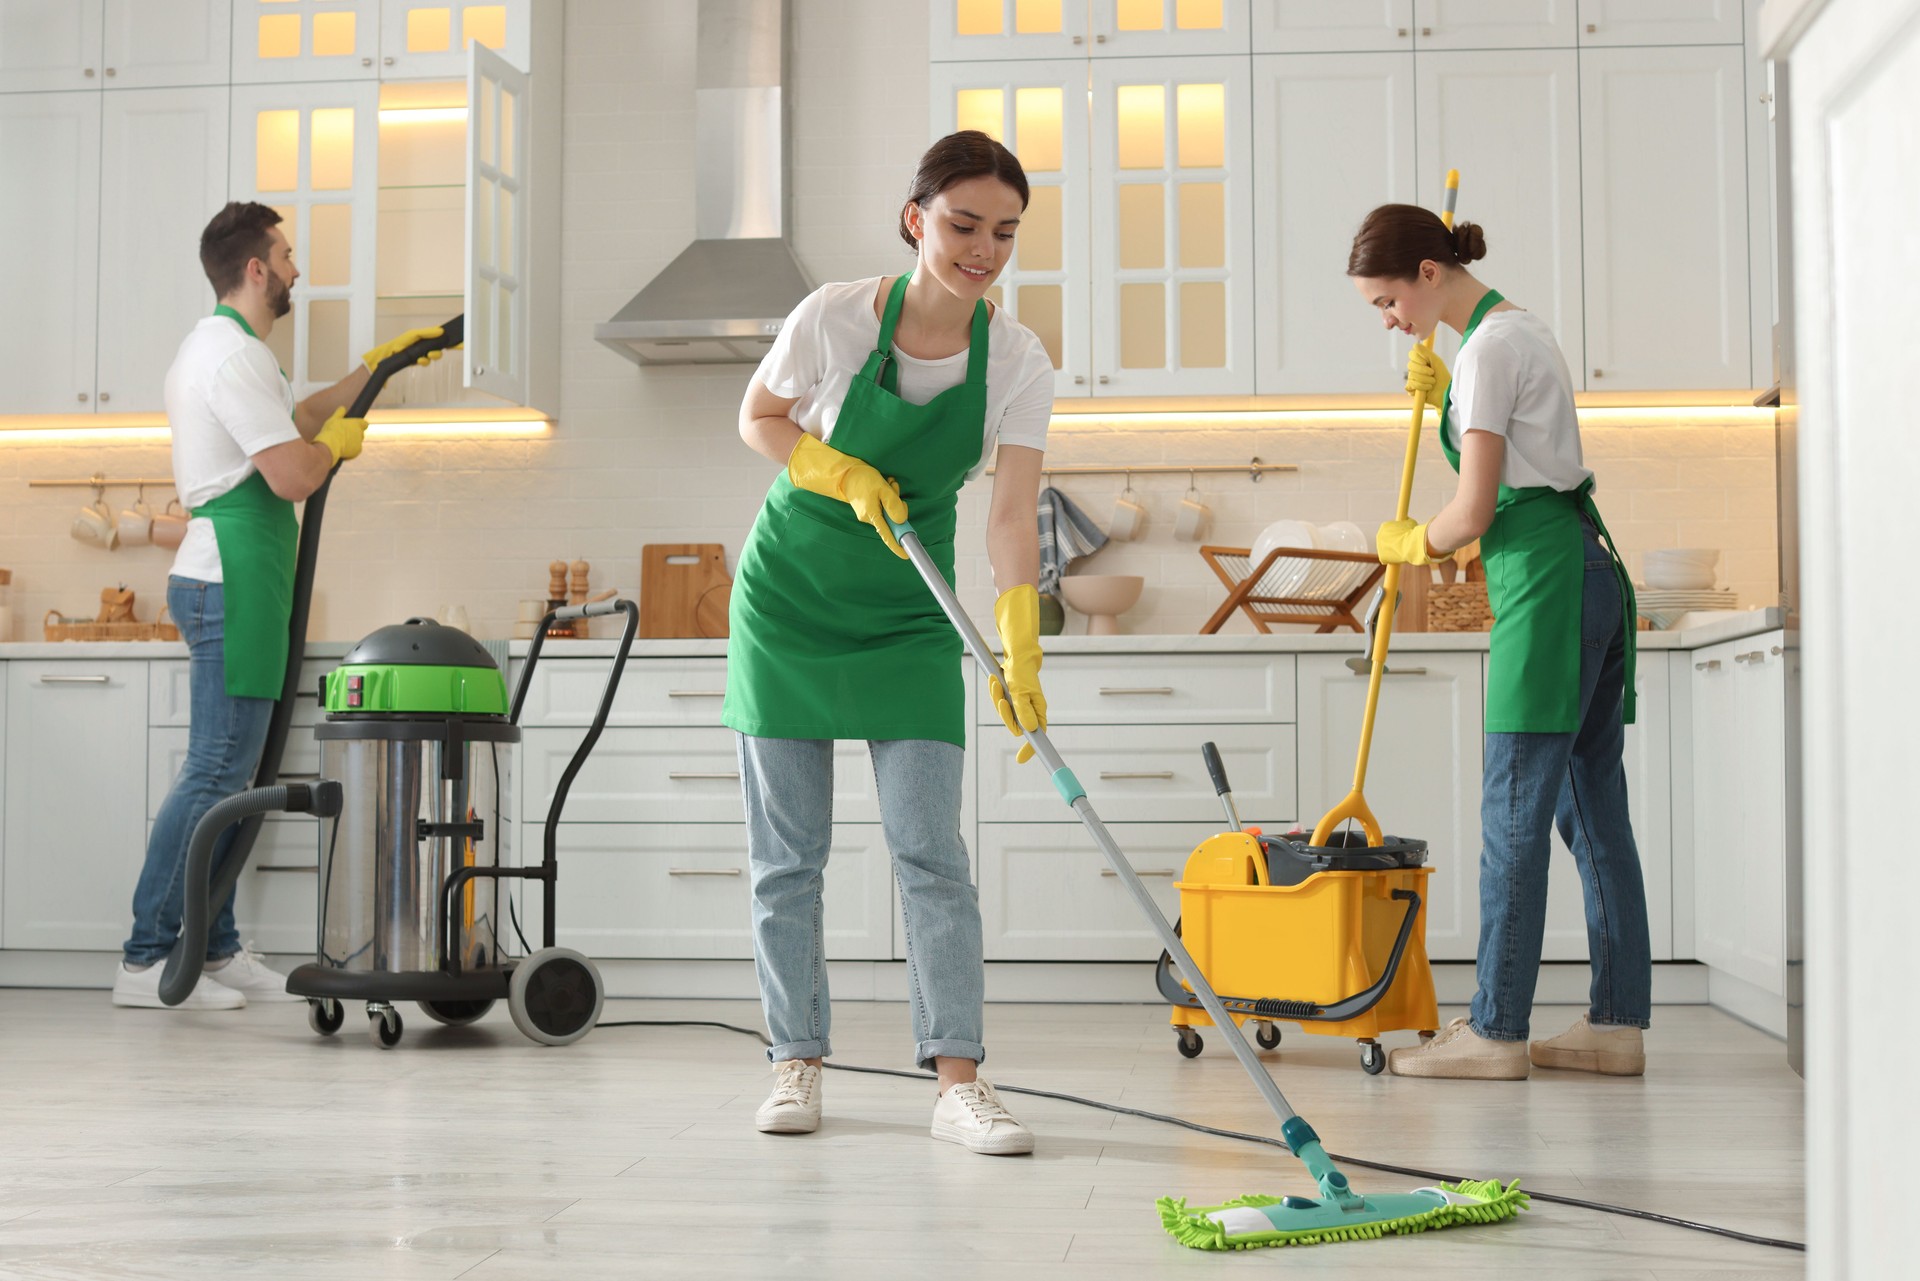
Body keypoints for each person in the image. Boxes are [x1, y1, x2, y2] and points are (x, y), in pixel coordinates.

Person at [723, 132, 1055, 1152]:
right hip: (789, 601)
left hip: (912, 610)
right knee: (790, 860)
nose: (982, 249)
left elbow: (1009, 517)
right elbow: (760, 419)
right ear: (917, 219)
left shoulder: (1019, 356)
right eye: (962, 225)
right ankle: (796, 1062)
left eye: (1003, 232)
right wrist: (835, 471)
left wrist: (1019, 642)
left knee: (931, 854)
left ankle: (959, 1082)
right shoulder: (834, 316)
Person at [113, 201, 452, 1010]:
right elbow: (295, 473)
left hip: (242, 576)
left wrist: (374, 372)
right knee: (215, 775)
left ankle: (215, 947)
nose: (297, 269)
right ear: (257, 268)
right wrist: (335, 448)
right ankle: (148, 957)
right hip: (229, 578)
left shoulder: (238, 353)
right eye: (288, 255)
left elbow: (297, 421)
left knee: (235, 774)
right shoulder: (230, 361)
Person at [1346, 205, 1651, 1079]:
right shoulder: (1515, 332)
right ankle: (1618, 1022)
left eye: (1386, 299)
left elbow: (1473, 511)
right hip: (1584, 571)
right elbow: (1525, 455)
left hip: (1547, 583)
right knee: (1593, 810)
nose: (1388, 318)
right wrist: (1445, 393)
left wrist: (1409, 543)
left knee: (1513, 811)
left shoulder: (1486, 349)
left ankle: (1495, 1028)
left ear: (1428, 273)